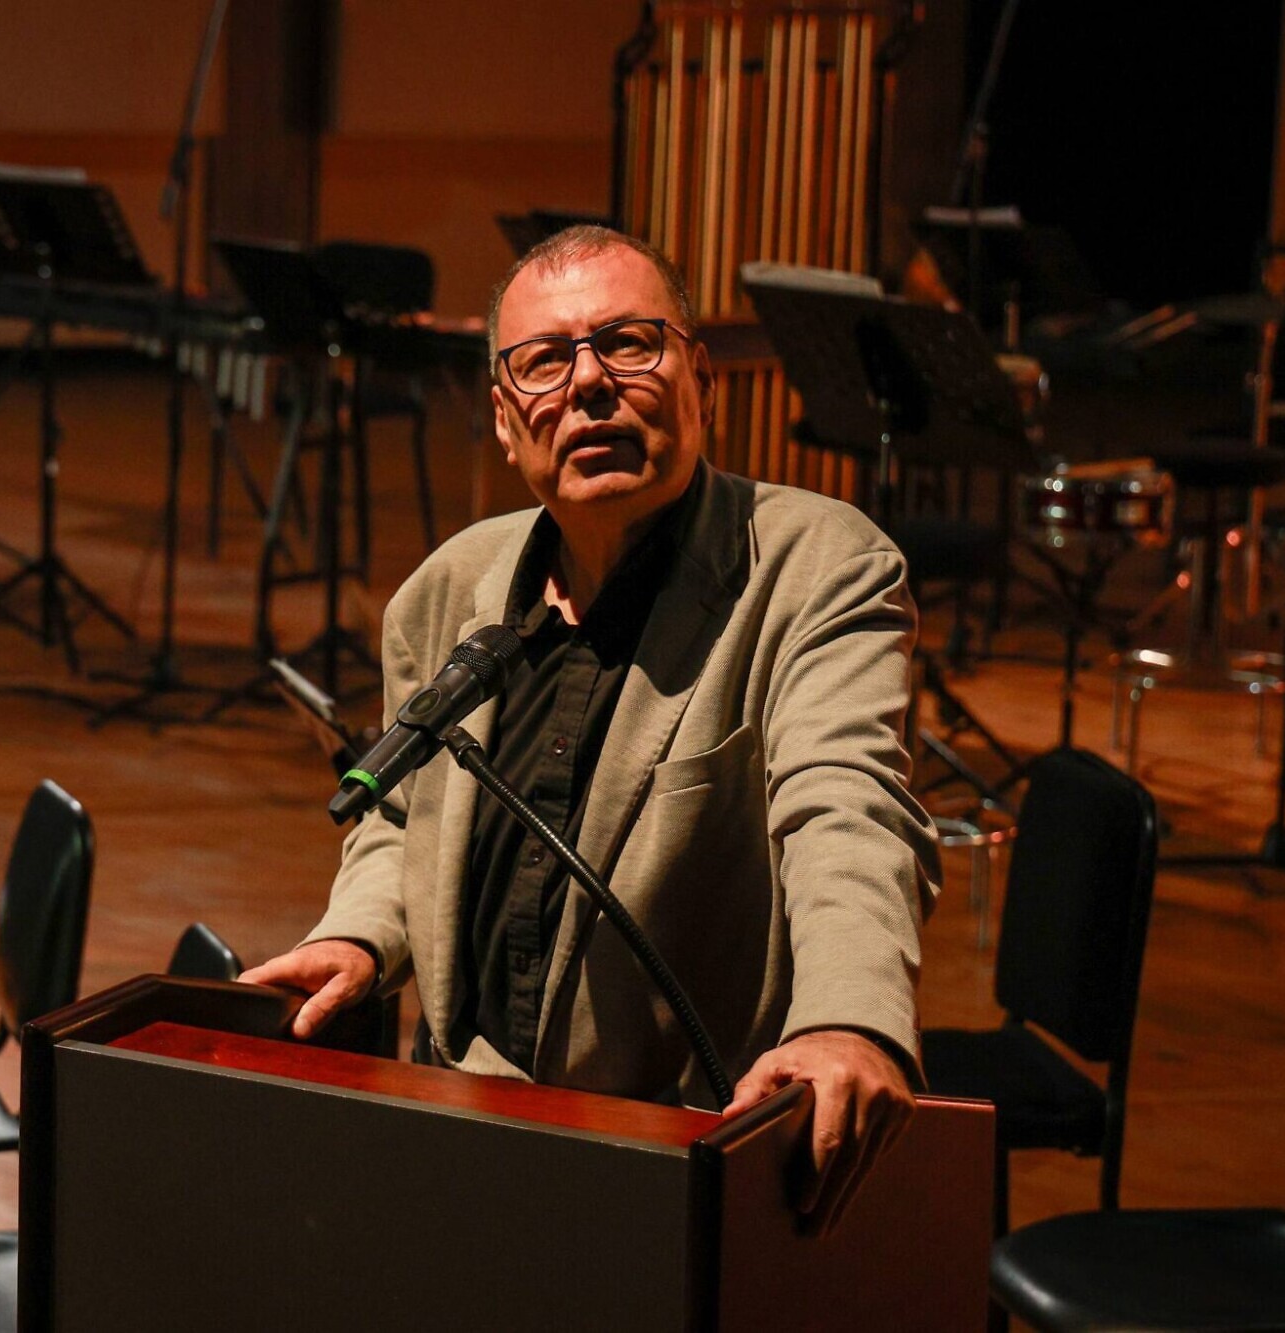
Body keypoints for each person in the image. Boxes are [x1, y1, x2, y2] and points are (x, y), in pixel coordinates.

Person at [243, 226, 937, 1232]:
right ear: (503, 416)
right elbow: (401, 822)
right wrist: (356, 935)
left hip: (669, 1157)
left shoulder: (818, 568)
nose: (589, 383)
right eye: (543, 360)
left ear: (701, 380)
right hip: (452, 1129)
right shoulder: (445, 590)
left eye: (627, 343)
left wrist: (848, 1019)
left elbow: (847, 807)